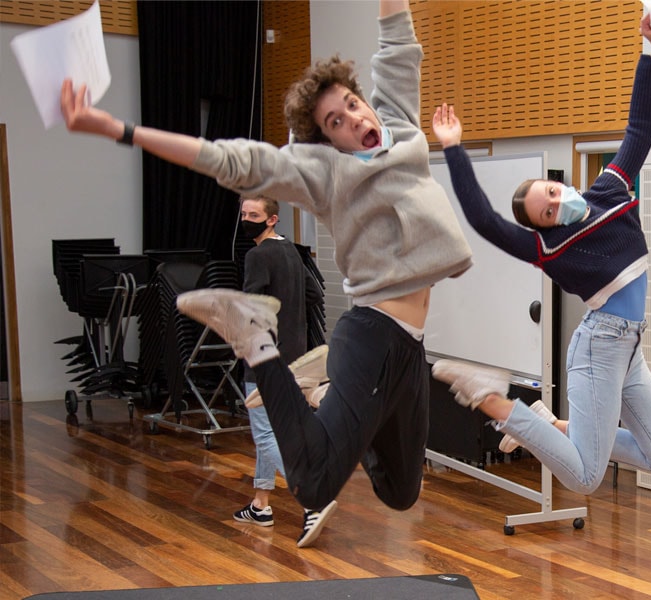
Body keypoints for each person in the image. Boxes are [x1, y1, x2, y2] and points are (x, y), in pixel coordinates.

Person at [59, 0, 473, 516]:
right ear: (326, 140)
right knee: (314, 483)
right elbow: (228, 159)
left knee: (401, 491)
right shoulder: (326, 174)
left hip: (410, 344)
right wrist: (121, 130)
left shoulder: (400, 125)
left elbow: (396, 36)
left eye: (352, 104)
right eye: (336, 121)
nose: (353, 119)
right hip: (372, 335)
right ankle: (255, 340)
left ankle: (320, 397)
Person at [427, 13, 651, 496]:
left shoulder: (610, 190)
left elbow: (640, 126)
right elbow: (484, 220)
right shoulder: (551, 249)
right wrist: (454, 149)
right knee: (584, 477)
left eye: (554, 193)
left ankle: (555, 426)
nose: (558, 204)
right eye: (548, 210)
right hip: (599, 347)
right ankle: (496, 403)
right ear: (543, 226)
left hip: (630, 347)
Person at [230, 196, 336, 548]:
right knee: (272, 429)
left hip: (263, 358)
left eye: (254, 215)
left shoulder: (257, 255)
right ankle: (261, 505)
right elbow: (313, 294)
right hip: (293, 356)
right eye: (244, 214)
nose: (247, 220)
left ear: (272, 219)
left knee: (264, 433)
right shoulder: (291, 251)